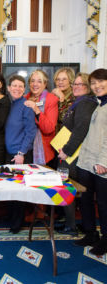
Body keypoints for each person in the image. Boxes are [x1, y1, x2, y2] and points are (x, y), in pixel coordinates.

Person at [56, 72, 97, 236]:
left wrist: (66, 150)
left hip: (72, 156)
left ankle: (71, 226)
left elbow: (80, 130)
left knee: (66, 187)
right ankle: (69, 223)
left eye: (81, 85)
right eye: (75, 84)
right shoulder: (77, 103)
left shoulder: (86, 103)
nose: (76, 87)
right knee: (65, 187)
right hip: (69, 153)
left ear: (88, 88)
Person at [74, 68, 107, 256]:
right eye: (93, 83)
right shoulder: (97, 103)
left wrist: (104, 161)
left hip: (101, 164)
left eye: (101, 82)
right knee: (85, 199)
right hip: (85, 161)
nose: (97, 86)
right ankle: (90, 233)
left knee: (103, 203)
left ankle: (105, 239)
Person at [5, 75, 37, 233]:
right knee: (10, 189)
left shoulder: (26, 105)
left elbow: (31, 132)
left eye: (20, 86)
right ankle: (11, 219)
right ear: (9, 88)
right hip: (8, 154)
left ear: (24, 89)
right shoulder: (9, 103)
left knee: (18, 191)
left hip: (19, 155)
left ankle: (16, 224)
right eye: (14, 86)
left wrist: (21, 153)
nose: (17, 88)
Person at [24, 70, 59, 165]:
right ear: (29, 83)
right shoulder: (24, 98)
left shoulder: (51, 99)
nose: (35, 84)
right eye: (32, 81)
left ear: (45, 84)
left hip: (43, 150)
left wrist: (36, 109)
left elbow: (49, 128)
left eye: (39, 81)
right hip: (25, 149)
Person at [52, 67, 75, 132]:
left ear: (70, 81)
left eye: (64, 79)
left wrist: (61, 97)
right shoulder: (53, 96)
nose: (60, 82)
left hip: (68, 136)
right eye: (58, 79)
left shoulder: (75, 96)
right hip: (55, 136)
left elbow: (64, 118)